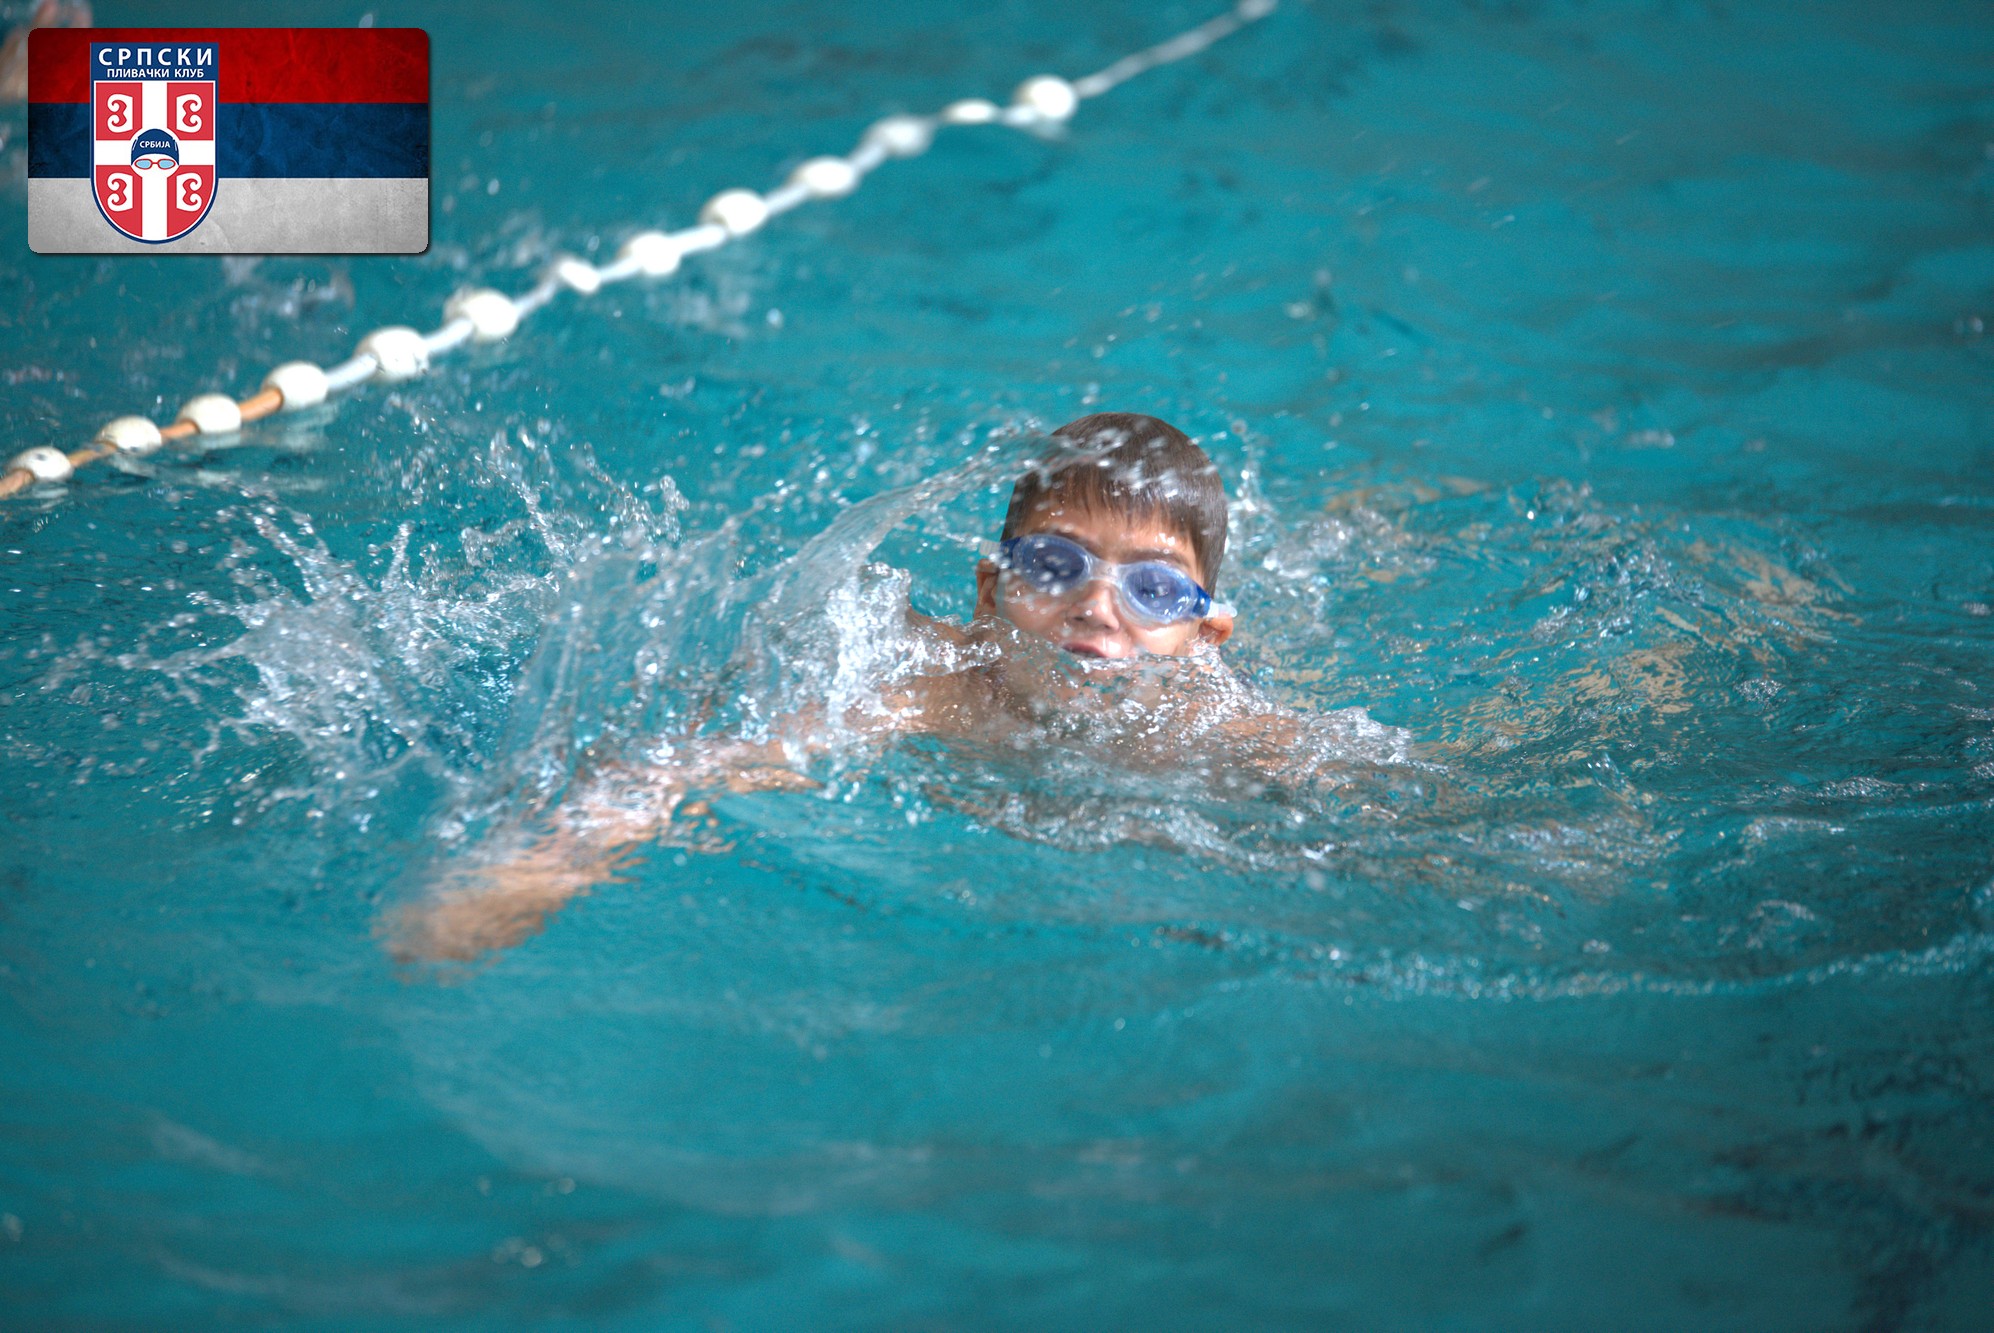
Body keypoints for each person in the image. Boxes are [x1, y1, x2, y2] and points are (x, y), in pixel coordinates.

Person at [392, 412, 1313, 962]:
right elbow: (705, 766)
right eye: (1053, 563)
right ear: (989, 591)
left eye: (1154, 590)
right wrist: (533, 870)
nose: (1098, 607)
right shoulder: (936, 687)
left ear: (1205, 635)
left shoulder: (1218, 729)